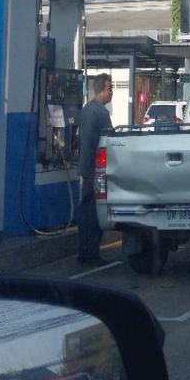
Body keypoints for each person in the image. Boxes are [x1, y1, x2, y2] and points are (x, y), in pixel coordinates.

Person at [78, 73, 113, 265]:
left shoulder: (85, 110)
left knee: (85, 211)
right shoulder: (102, 113)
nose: (111, 93)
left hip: (85, 168)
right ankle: (92, 253)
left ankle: (84, 252)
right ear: (103, 90)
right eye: (110, 89)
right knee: (95, 212)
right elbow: (109, 141)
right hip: (97, 171)